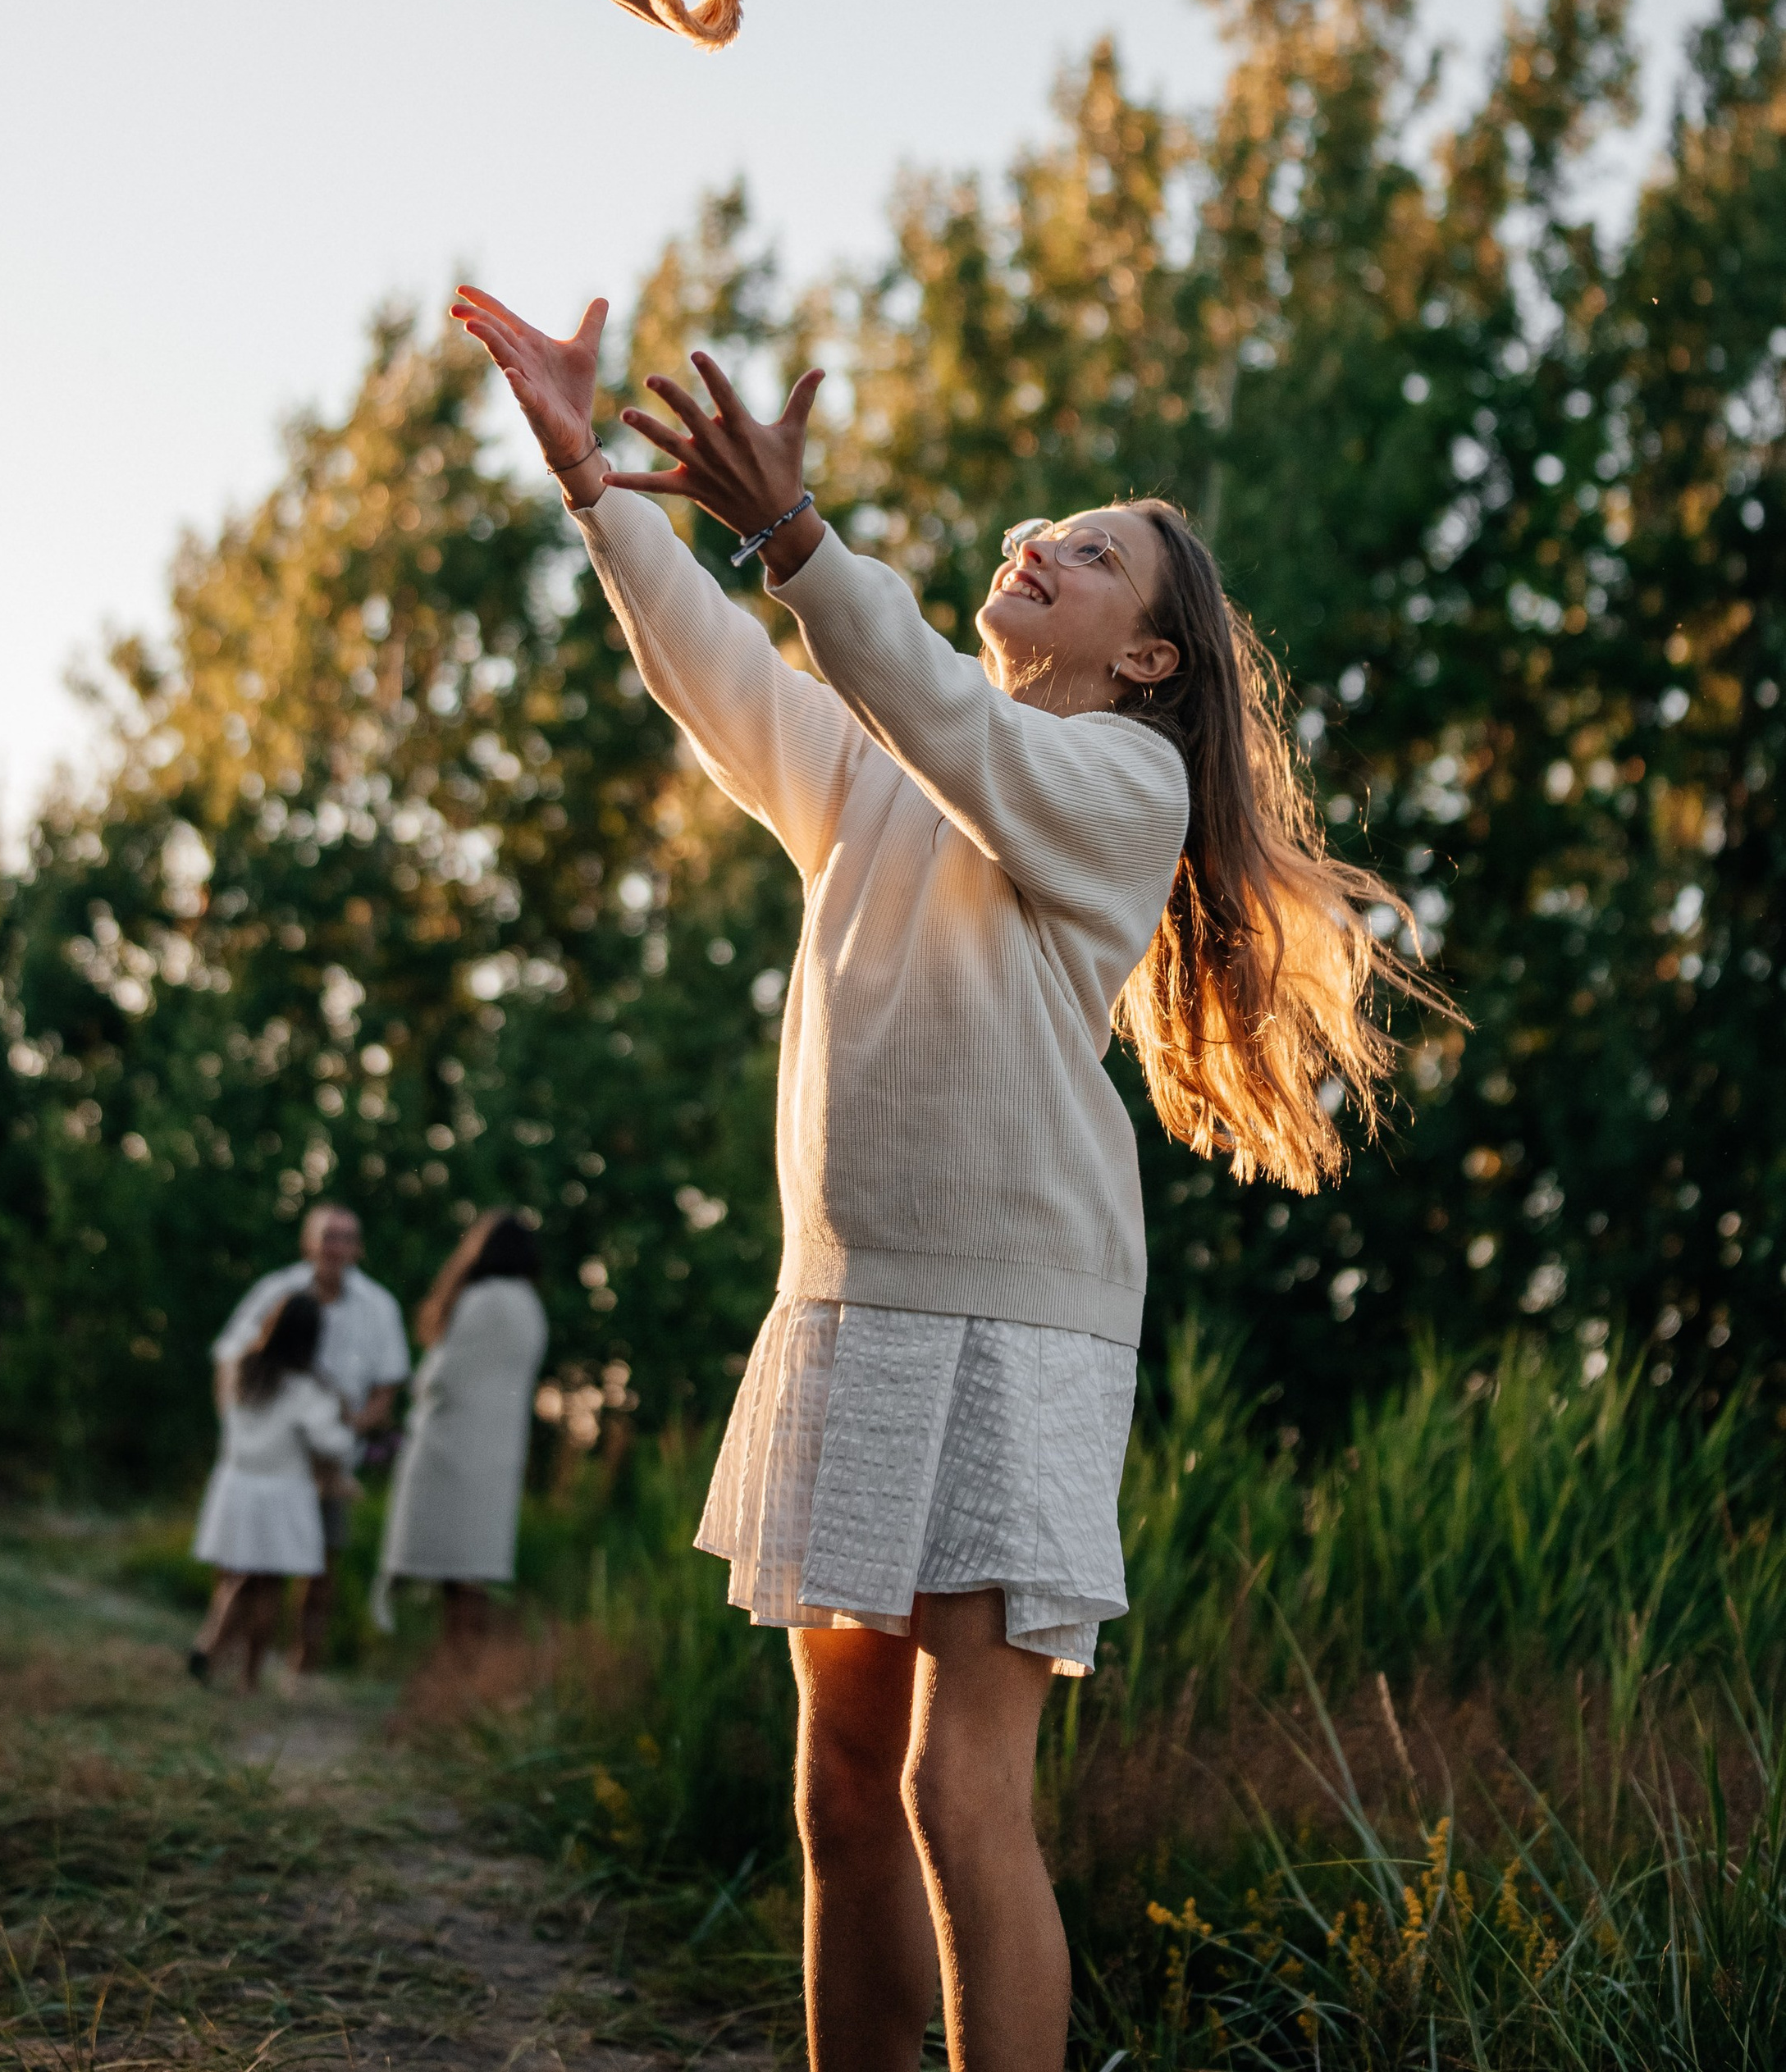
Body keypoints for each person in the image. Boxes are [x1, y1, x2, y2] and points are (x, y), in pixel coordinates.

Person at [450, 281, 1438, 2072]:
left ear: (1149, 655)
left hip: (1015, 1325)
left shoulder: (1115, 782)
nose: (1038, 541)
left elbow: (921, 699)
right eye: (1045, 526)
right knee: (836, 1780)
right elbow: (725, 672)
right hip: (845, 1308)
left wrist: (794, 534)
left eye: (1092, 549)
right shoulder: (887, 768)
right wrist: (587, 467)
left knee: (951, 1786)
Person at [212, 1201, 409, 1671]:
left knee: (320, 1563)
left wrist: (342, 1433)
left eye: (345, 1237)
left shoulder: (379, 1307)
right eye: (327, 1235)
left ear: (358, 1248)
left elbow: (387, 1388)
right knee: (246, 1562)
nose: (335, 1246)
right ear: (308, 1240)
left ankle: (303, 1663)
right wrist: (238, 1425)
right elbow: (230, 1358)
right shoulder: (274, 1291)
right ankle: (231, 1652)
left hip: (329, 1459)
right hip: (270, 1455)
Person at [372, 1210, 547, 1663]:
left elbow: (441, 1378)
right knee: (473, 1571)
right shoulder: (530, 1306)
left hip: (450, 1454)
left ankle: (456, 1674)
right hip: (498, 1459)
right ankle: (463, 1678)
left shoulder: (482, 1300)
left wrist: (420, 1386)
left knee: (456, 1576)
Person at [189, 1289, 356, 1690]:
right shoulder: (305, 1389)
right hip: (282, 1491)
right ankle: (248, 1675)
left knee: (238, 1576)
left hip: (236, 1484)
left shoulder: (243, 1371)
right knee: (268, 1586)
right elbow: (333, 1443)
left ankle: (210, 1644)